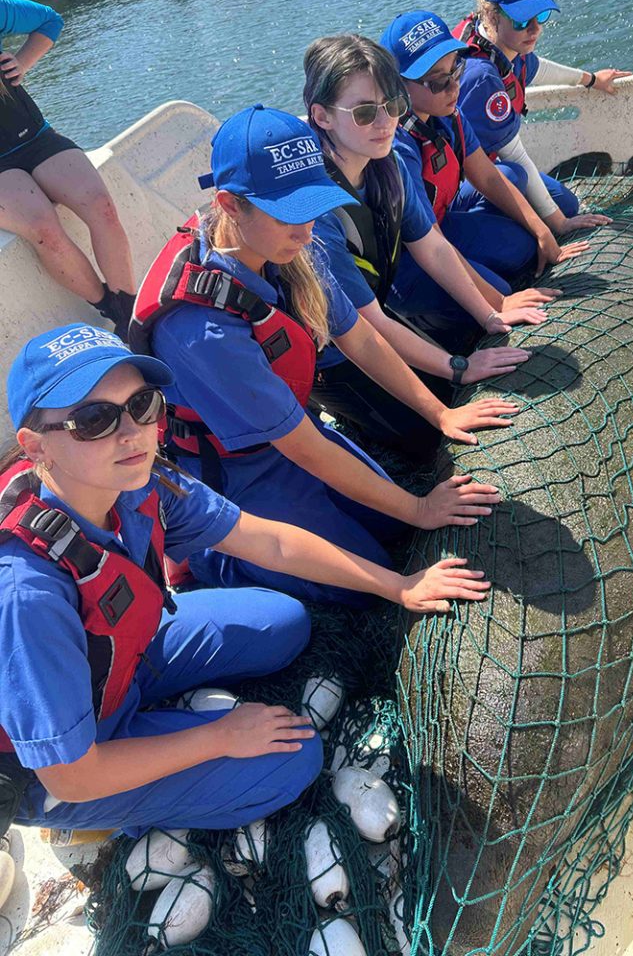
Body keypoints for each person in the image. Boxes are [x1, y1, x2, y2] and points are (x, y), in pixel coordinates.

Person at [0, 323, 491, 837]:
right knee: (292, 761)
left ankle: (155, 714)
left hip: (123, 656)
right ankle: (119, 814)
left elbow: (268, 542)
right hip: (62, 761)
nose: (131, 433)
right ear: (36, 447)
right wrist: (220, 736)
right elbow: (73, 774)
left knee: (283, 621)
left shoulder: (137, 479)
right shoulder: (26, 592)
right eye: (93, 419)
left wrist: (398, 585)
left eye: (143, 404)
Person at [130, 105, 516, 602]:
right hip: (230, 470)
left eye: (312, 207)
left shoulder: (284, 246)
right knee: (368, 577)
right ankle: (204, 556)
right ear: (229, 205)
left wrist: (441, 412)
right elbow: (305, 447)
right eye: (287, 213)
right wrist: (419, 510)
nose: (306, 229)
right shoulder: (201, 328)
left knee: (394, 530)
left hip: (287, 431)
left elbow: (358, 337)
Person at [303, 33, 558, 443]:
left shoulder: (385, 165)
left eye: (393, 105)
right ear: (322, 116)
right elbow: (364, 330)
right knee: (426, 434)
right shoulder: (315, 213)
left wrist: (491, 314)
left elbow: (434, 248)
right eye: (365, 112)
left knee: (463, 360)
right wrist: (458, 373)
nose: (386, 123)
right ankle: (336, 413)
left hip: (373, 311)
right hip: (327, 351)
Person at [380, 9, 590, 291]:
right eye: (438, 81)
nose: (454, 87)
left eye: (456, 69)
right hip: (410, 257)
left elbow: (488, 176)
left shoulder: (448, 115)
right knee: (500, 288)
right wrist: (497, 304)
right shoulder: (398, 148)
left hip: (442, 218)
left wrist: (542, 231)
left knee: (523, 240)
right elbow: (429, 245)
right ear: (398, 87)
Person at [454, 0, 631, 230]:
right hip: (460, 187)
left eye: (541, 15)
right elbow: (514, 154)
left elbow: (535, 68)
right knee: (525, 238)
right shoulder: (481, 77)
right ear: (491, 14)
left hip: (491, 166)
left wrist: (592, 79)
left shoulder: (505, 41)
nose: (535, 29)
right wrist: (558, 224)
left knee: (567, 204)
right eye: (523, 20)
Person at [0, 0, 135, 338]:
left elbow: (49, 20)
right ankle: (112, 309)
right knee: (44, 228)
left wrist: (22, 62)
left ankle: (131, 310)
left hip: (34, 136)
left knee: (101, 207)